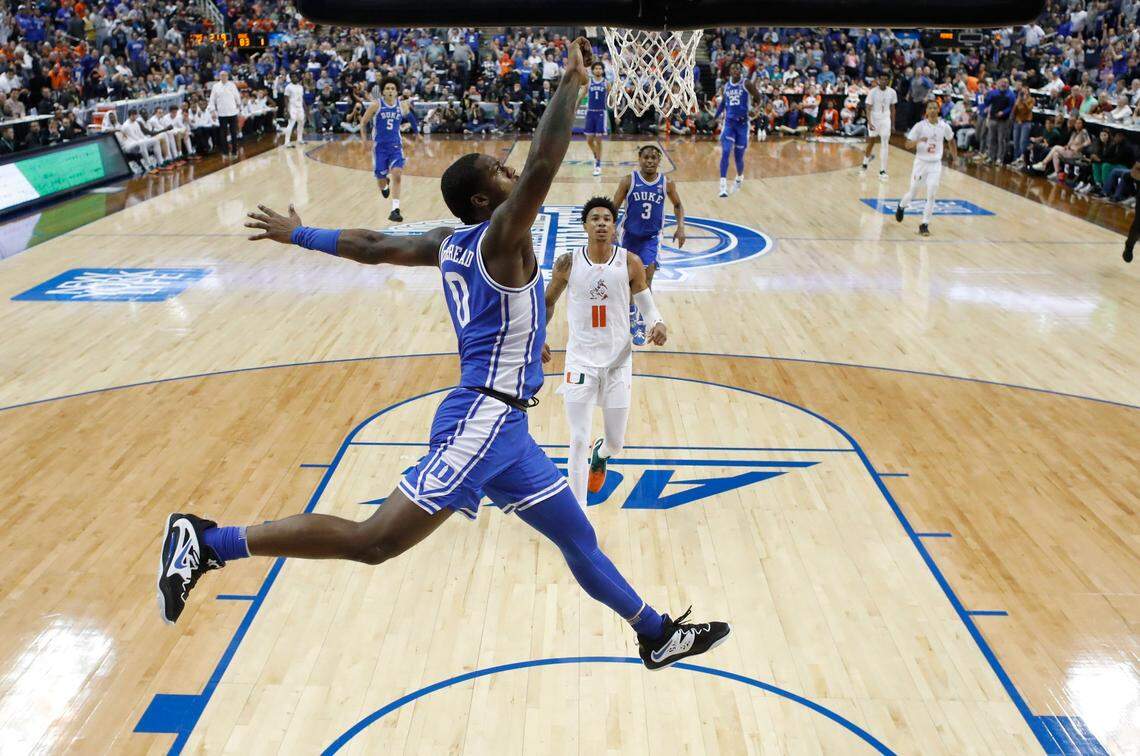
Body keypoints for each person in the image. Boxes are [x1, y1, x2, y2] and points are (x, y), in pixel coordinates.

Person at [160, 37, 730, 673]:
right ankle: (211, 542)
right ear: (488, 203)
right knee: (373, 542)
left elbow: (374, 245)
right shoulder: (499, 238)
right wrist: (572, 85)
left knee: (578, 537)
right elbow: (543, 162)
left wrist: (300, 233)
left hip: (506, 425)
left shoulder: (448, 240)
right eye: (499, 173)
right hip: (481, 419)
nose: (512, 173)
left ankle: (653, 633)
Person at [542, 197, 667, 508]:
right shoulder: (567, 263)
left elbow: (645, 302)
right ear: (585, 226)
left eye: (607, 219)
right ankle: (578, 513)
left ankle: (602, 455)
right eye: (594, 218)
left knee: (616, 443)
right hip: (580, 360)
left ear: (615, 227)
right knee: (578, 438)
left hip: (618, 362)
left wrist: (658, 322)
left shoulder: (630, 262)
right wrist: (536, 337)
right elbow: (547, 302)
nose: (600, 223)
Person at [611, 144, 685, 343]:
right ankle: (631, 312)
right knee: (628, 280)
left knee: (646, 279)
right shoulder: (628, 181)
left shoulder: (666, 183)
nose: (650, 161)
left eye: (654, 158)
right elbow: (614, 207)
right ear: (639, 159)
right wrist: (611, 229)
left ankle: (643, 320)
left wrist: (680, 227)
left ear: (659, 160)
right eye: (646, 157)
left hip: (651, 238)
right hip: (629, 236)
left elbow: (678, 204)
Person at [894, 100, 958, 237]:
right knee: (913, 193)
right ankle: (901, 206)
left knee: (932, 194)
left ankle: (924, 224)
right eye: (930, 108)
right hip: (921, 163)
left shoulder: (944, 126)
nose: (933, 110)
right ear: (926, 111)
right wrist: (918, 141)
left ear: (938, 110)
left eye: (935, 108)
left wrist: (955, 157)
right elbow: (907, 145)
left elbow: (951, 141)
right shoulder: (919, 126)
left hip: (935, 164)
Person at [362, 77, 414, 222]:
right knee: (381, 179)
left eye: (393, 89)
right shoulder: (376, 105)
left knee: (397, 174)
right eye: (387, 89)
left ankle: (395, 210)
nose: (390, 91)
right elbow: (363, 122)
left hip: (396, 146)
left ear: (397, 91)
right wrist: (364, 141)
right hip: (379, 148)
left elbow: (412, 120)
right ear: (383, 92)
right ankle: (384, 186)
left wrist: (417, 134)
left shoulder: (402, 105)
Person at [715, 61, 762, 197]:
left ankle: (739, 177)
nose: (735, 70)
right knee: (725, 151)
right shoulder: (726, 86)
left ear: (741, 71)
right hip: (729, 124)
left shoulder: (746, 84)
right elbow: (722, 104)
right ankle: (722, 186)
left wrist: (756, 110)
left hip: (742, 125)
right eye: (733, 68)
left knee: (738, 158)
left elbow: (759, 98)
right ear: (729, 71)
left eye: (738, 68)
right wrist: (715, 117)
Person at [860, 73, 896, 181]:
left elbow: (893, 108)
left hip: (886, 118)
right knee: (871, 142)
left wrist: (893, 124)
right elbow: (868, 108)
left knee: (885, 143)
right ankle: (865, 162)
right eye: (882, 79)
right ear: (878, 80)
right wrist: (869, 122)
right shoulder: (872, 92)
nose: (884, 81)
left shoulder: (892, 92)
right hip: (874, 118)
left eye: (886, 79)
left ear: (888, 81)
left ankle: (882, 170)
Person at [582, 61, 608, 176]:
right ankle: (596, 154)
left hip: (601, 113)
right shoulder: (589, 82)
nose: (598, 70)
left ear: (602, 70)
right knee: (589, 140)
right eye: (596, 68)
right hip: (590, 113)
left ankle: (598, 164)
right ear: (592, 70)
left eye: (600, 68)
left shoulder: (606, 83)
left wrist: (616, 113)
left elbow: (611, 99)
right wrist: (574, 107)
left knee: (598, 139)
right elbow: (582, 95)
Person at [208, 70, 242, 159]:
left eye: (225, 75)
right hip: (222, 113)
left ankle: (235, 151)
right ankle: (225, 153)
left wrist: (239, 105)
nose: (223, 77)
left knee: (234, 133)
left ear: (227, 76)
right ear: (219, 77)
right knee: (223, 134)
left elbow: (237, 97)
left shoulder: (232, 85)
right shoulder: (215, 86)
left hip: (232, 112)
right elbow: (212, 100)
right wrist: (212, 111)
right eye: (222, 75)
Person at [282, 73, 306, 148]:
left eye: (295, 76)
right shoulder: (288, 87)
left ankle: (299, 139)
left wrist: (305, 108)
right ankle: (287, 142)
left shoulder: (301, 87)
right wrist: (286, 110)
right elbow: (285, 99)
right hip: (292, 107)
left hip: (300, 107)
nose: (295, 78)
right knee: (291, 123)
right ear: (291, 78)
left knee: (301, 122)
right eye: (293, 77)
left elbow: (302, 98)